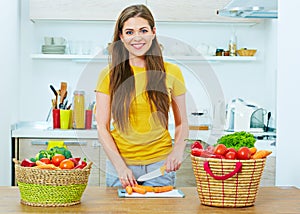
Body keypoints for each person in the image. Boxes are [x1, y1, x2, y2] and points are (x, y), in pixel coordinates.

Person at [95, 4, 188, 188]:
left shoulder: (172, 72)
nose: (137, 38)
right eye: (129, 32)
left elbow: (182, 122)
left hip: (160, 166)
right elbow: (102, 127)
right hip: (120, 166)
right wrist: (121, 167)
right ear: (121, 37)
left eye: (143, 30)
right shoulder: (109, 75)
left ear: (153, 32)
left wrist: (177, 150)